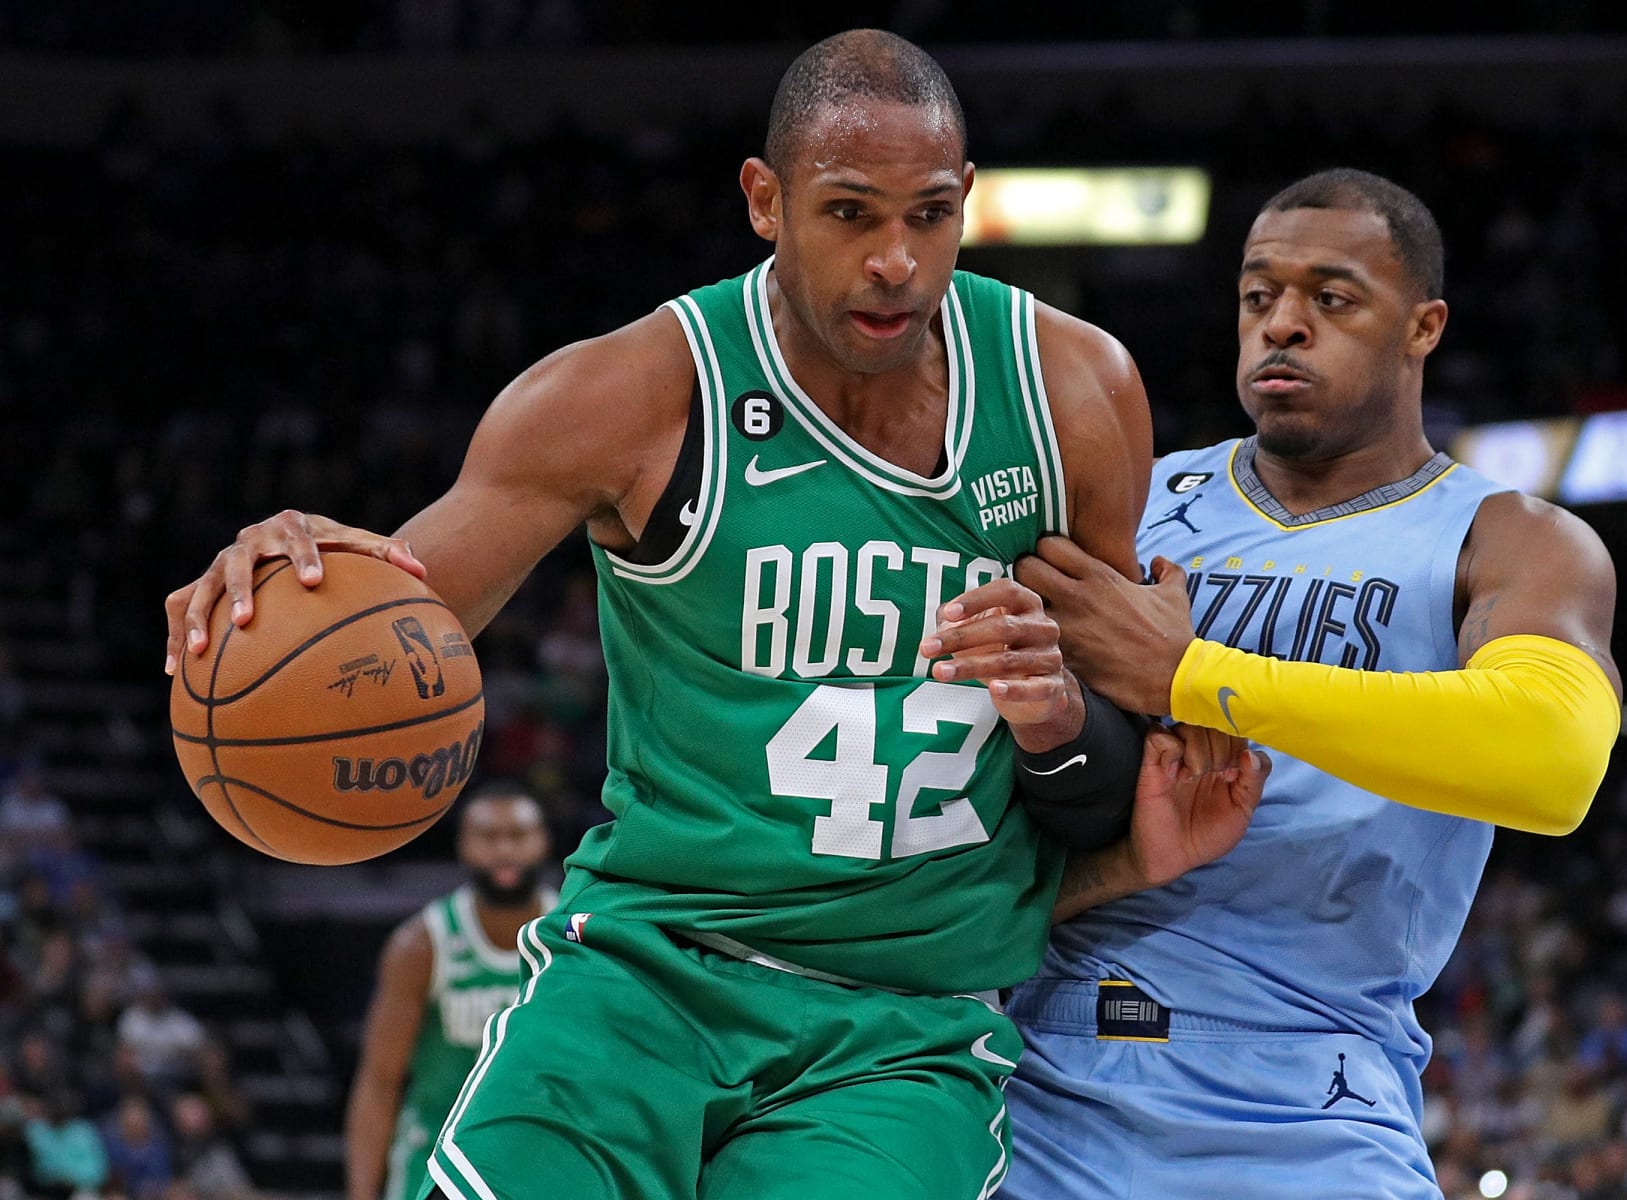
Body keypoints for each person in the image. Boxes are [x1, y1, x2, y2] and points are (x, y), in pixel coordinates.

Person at [164, 29, 1264, 1200]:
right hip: (648, 974)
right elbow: (395, 616)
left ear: (966, 203)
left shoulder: (1074, 393)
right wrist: (292, 579)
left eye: (929, 215)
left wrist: (1059, 718)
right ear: (765, 200)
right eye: (851, 214)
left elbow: (1106, 766)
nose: (896, 259)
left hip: (903, 1027)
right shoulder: (626, 396)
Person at [950, 169, 1622, 1198]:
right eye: (1259, 297)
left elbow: (1556, 758)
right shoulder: (1137, 500)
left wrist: (1195, 675)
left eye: (1332, 298)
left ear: (1423, 326)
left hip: (1314, 1090)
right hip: (1047, 1073)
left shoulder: (1510, 542)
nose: (1284, 327)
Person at [343, 786, 555, 1200]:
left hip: (542, 1156)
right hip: (436, 1159)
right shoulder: (422, 944)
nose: (504, 850)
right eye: (489, 838)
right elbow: (379, 1082)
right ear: (463, 846)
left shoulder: (568, 936)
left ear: (543, 841)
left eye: (518, 835)